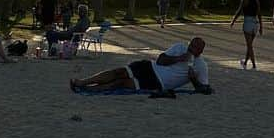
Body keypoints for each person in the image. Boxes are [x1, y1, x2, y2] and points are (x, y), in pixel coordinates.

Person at [71, 37, 211, 95]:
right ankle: (83, 82)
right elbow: (160, 60)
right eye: (191, 45)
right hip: (150, 66)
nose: (191, 49)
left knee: (122, 83)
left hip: (158, 81)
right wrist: (179, 58)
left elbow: (203, 89)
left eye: (195, 48)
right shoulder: (180, 47)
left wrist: (193, 79)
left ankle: (90, 90)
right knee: (119, 72)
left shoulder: (201, 66)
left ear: (201, 51)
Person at [230, 0, 262, 69]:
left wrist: (233, 20)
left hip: (248, 21)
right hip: (255, 23)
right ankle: (246, 62)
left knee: (249, 45)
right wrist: (261, 26)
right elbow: (259, 13)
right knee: (250, 44)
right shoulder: (256, 0)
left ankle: (254, 64)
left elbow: (239, 11)